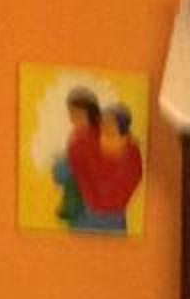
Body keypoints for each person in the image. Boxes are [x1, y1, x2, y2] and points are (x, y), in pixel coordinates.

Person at [73, 101, 144, 234]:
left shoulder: (130, 155)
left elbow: (131, 180)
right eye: (102, 128)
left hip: (113, 219)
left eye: (110, 131)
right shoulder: (91, 145)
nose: (103, 136)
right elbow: (79, 159)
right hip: (89, 215)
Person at [49, 86, 101, 228]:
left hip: (90, 212)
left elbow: (64, 171)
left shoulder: (97, 135)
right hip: (80, 211)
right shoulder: (77, 134)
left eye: (79, 114)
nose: (73, 119)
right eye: (71, 113)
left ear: (91, 114)